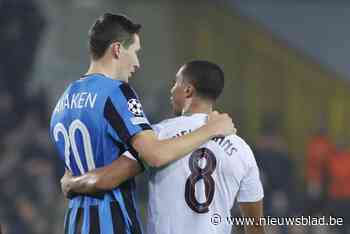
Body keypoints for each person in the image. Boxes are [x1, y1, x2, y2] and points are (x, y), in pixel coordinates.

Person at [49, 14, 234, 234]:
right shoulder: (116, 92)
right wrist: (211, 129)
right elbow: (154, 154)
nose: (137, 63)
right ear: (117, 49)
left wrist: (72, 184)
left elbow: (70, 175)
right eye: (135, 52)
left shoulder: (62, 102)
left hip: (74, 223)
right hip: (112, 221)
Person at [61, 61, 265, 234]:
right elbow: (255, 227)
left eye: (176, 82)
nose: (171, 89)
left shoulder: (158, 136)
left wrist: (71, 183)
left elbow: (106, 180)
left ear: (188, 90)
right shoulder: (241, 149)